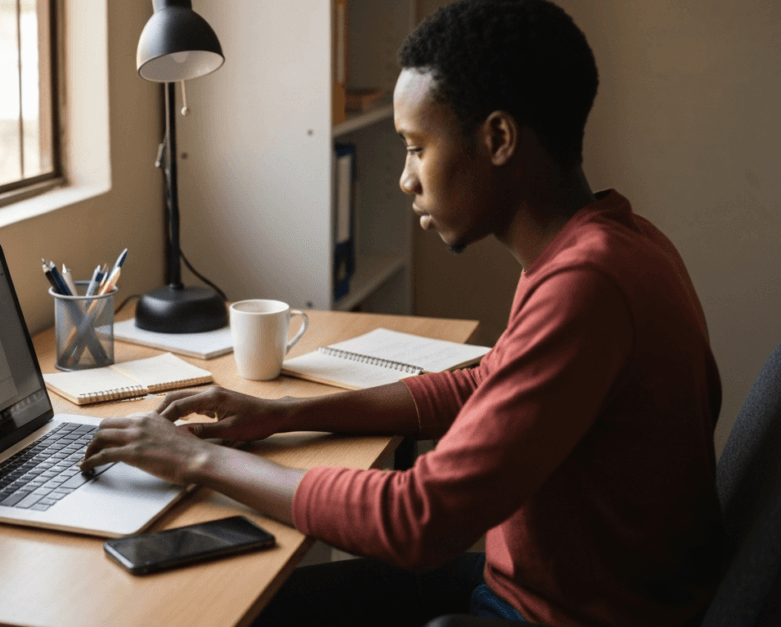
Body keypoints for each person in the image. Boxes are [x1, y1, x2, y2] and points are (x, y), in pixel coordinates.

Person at [80, 0, 724, 624]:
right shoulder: (613, 241)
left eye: (417, 147)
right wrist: (285, 414)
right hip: (544, 587)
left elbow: (420, 521)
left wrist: (199, 460)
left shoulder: (587, 285)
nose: (405, 179)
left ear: (498, 139)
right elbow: (485, 384)